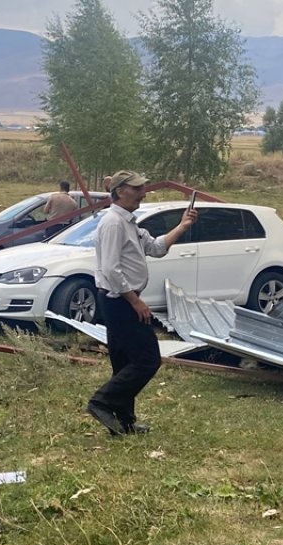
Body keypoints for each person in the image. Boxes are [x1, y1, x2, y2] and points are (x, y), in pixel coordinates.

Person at [87, 170, 197, 437]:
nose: (143, 193)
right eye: (137, 188)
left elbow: (157, 248)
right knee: (147, 360)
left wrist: (182, 226)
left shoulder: (129, 223)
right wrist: (136, 302)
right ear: (121, 191)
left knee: (124, 362)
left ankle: (124, 423)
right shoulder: (113, 223)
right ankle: (101, 402)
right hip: (119, 301)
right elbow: (111, 270)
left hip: (119, 300)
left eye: (143, 188)